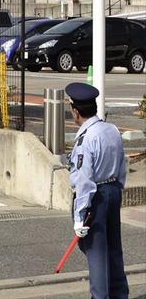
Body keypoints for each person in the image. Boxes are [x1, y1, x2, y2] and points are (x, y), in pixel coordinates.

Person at [66, 81, 128, 299]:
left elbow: (84, 181)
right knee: (114, 248)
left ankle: (100, 296)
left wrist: (79, 216)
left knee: (97, 252)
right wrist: (117, 187)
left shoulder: (85, 139)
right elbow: (122, 164)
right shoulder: (112, 130)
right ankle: (119, 294)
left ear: (76, 111)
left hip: (96, 197)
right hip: (113, 190)